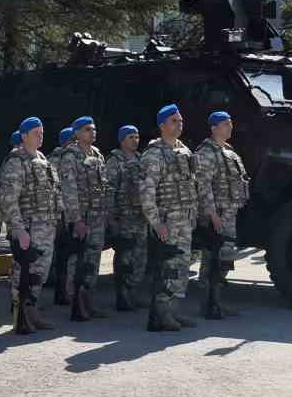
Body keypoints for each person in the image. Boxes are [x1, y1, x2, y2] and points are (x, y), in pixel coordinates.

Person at [139, 104, 205, 332]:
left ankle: (173, 311)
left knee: (182, 267)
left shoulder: (184, 151)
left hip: (184, 219)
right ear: (162, 125)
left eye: (181, 121)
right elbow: (146, 192)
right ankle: (161, 315)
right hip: (167, 222)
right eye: (174, 121)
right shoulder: (154, 154)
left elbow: (192, 185)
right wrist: (156, 223)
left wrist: (194, 213)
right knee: (167, 268)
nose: (179, 125)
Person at [0, 116, 60, 333]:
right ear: (24, 135)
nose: (40, 136)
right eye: (36, 133)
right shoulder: (17, 161)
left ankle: (32, 310)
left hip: (46, 227)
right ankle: (21, 316)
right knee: (23, 273)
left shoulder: (42, 159)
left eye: (42, 132)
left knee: (40, 273)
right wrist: (19, 230)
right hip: (29, 228)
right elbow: (8, 199)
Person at [194, 111, 250, 319]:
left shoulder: (228, 151)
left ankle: (216, 302)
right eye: (226, 124)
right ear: (214, 128)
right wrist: (211, 213)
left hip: (229, 213)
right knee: (211, 259)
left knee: (224, 260)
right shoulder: (206, 152)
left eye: (230, 123)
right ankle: (207, 305)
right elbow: (203, 185)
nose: (230, 127)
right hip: (215, 216)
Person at [57, 115, 110, 320]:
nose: (92, 132)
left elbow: (103, 186)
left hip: (97, 217)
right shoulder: (70, 155)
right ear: (77, 133)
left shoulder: (97, 154)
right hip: (82, 218)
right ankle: (76, 303)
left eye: (93, 129)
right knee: (78, 260)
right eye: (88, 129)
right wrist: (76, 219)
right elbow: (68, 191)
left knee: (93, 260)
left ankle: (88, 301)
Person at [105, 125, 147, 312]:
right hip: (123, 218)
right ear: (122, 140)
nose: (135, 140)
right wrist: (111, 218)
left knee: (140, 258)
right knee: (125, 258)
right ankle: (123, 296)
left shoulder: (141, 159)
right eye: (131, 137)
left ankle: (134, 294)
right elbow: (109, 191)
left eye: (137, 137)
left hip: (140, 218)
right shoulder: (114, 161)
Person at [49, 125, 79, 304]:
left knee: (67, 254)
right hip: (61, 214)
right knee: (64, 254)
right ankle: (62, 292)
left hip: (70, 212)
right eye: (73, 141)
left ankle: (64, 290)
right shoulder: (56, 159)